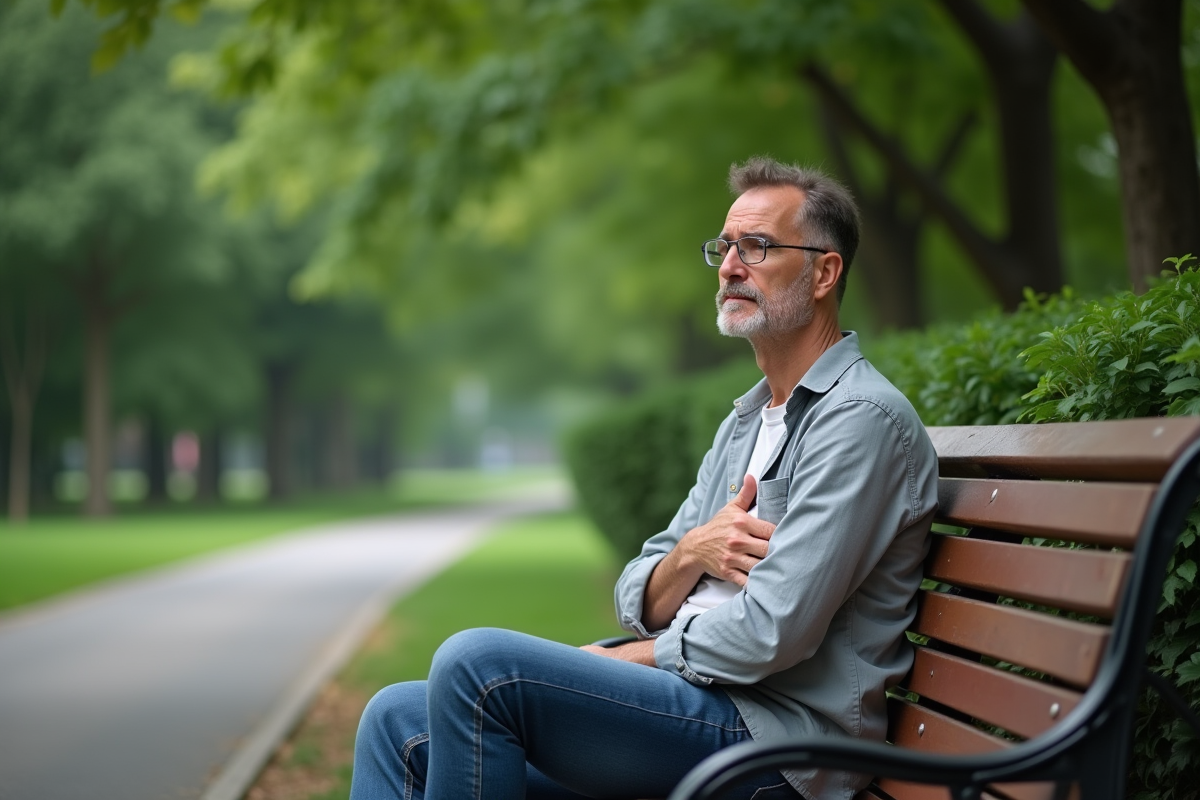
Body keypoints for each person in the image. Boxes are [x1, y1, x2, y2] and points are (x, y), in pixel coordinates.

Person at [350, 157, 939, 800]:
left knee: (478, 667)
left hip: (777, 744)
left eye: (758, 247)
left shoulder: (858, 421)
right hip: (696, 702)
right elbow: (642, 589)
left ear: (825, 272)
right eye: (725, 246)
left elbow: (773, 630)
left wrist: (632, 656)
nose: (729, 266)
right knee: (396, 719)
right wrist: (690, 553)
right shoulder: (747, 421)